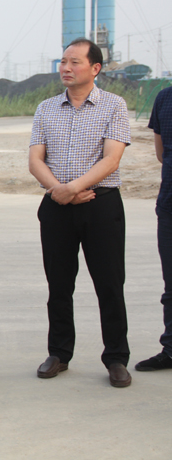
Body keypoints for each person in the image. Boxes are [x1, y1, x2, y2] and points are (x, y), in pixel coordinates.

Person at [29, 38, 132, 387]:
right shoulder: (46, 108)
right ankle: (59, 353)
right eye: (63, 61)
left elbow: (112, 159)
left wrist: (72, 189)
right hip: (56, 205)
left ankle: (116, 357)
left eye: (75, 62)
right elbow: (35, 160)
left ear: (95, 68)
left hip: (100, 205)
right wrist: (60, 192)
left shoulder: (114, 105)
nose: (66, 68)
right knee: (58, 283)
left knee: (109, 283)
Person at [135, 86, 172, 371]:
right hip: (169, 205)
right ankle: (171, 349)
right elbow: (161, 154)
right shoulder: (164, 98)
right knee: (171, 284)